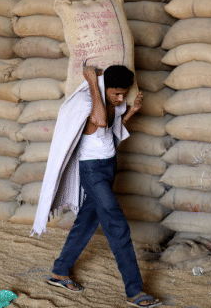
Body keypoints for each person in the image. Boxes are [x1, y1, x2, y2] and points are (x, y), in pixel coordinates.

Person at [44, 64, 161, 308]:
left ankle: (59, 272)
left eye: (124, 94)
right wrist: (93, 83)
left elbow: (109, 132)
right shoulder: (89, 102)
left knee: (86, 221)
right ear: (103, 88)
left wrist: (130, 112)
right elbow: (98, 120)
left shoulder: (109, 105)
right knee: (117, 225)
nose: (121, 98)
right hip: (93, 172)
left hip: (108, 168)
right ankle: (135, 290)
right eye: (116, 93)